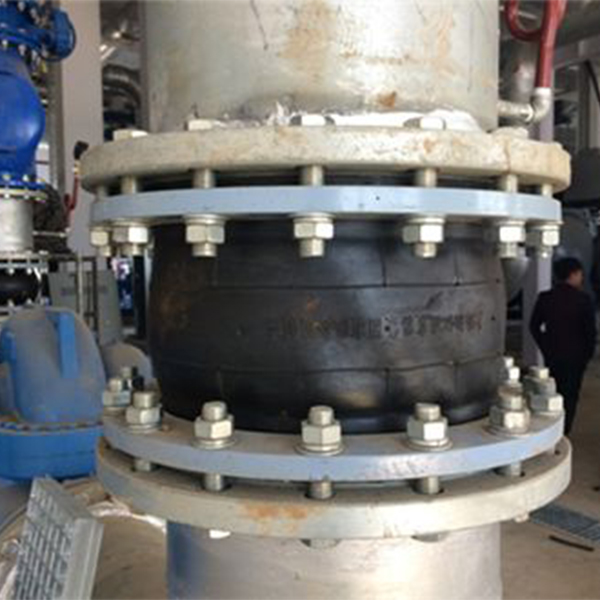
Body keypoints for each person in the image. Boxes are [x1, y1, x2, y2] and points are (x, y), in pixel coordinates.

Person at [529, 257, 597, 435]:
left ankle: (550, 430)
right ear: (573, 274)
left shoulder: (546, 298)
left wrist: (545, 346)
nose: (581, 278)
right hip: (576, 358)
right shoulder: (583, 300)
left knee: (552, 393)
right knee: (570, 396)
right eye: (580, 274)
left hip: (553, 355)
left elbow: (534, 326)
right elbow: (590, 333)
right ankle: (564, 432)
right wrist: (587, 355)